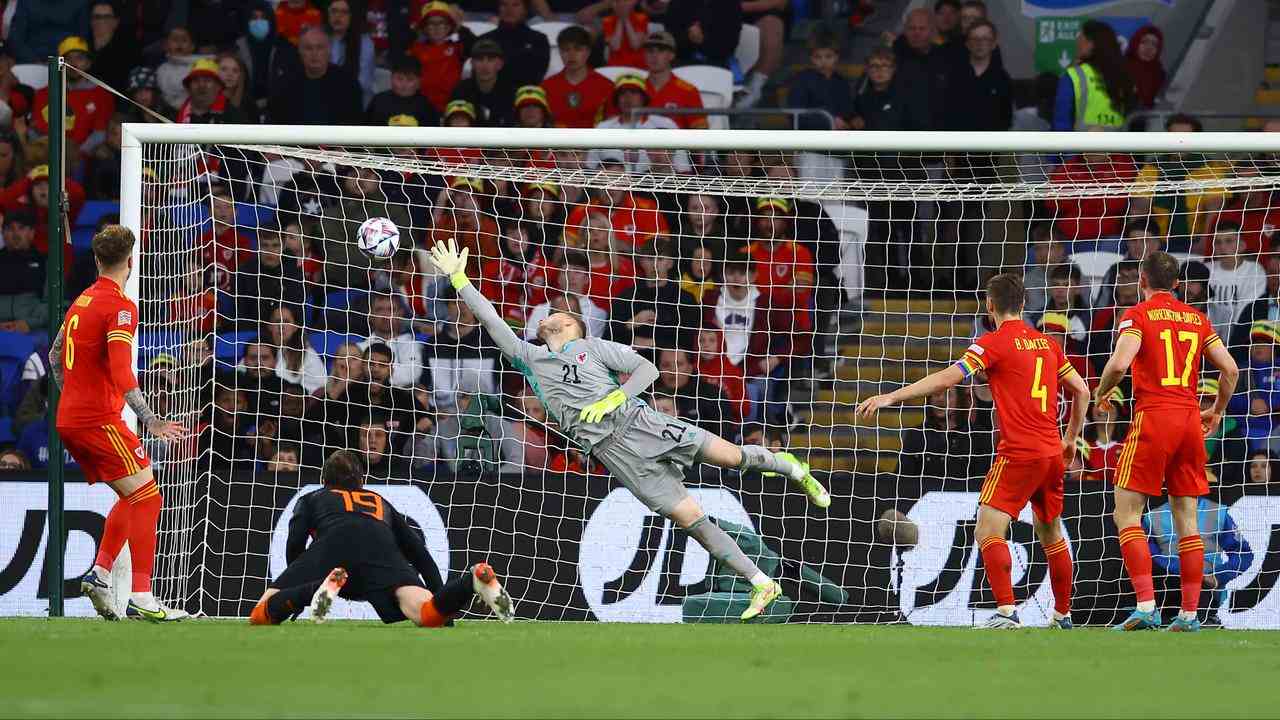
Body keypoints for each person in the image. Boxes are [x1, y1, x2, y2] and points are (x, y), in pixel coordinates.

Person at [428, 238, 830, 622]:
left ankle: (792, 468)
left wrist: (612, 399)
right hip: (616, 454)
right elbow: (492, 320)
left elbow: (648, 369)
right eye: (550, 314)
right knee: (692, 521)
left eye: (563, 315)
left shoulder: (595, 348)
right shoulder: (531, 360)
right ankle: (761, 583)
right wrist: (461, 280)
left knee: (733, 457)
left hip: (642, 423)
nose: (553, 315)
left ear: (574, 327)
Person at [857, 273, 1090, 629]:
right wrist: (1071, 436)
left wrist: (891, 396)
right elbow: (1082, 390)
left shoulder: (992, 342)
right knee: (1051, 534)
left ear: (989, 305)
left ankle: (1007, 612)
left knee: (987, 530)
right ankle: (1062, 614)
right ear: (1025, 304)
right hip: (1051, 453)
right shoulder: (1048, 344)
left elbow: (948, 379)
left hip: (1019, 453)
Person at [1093, 251, 1240, 631]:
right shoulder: (1197, 318)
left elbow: (1119, 364)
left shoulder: (1138, 315)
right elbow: (1231, 369)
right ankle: (1190, 614)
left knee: (1126, 513)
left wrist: (1102, 392)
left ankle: (1146, 606)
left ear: (1142, 281)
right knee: (1187, 520)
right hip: (1191, 420)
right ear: (1176, 283)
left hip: (1154, 418)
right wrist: (1218, 410)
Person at [49, 225, 187, 622]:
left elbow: (56, 356)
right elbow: (124, 371)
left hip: (71, 419)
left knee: (134, 493)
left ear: (96, 260)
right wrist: (151, 420)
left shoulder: (82, 301)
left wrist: (75, 395)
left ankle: (100, 572)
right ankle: (141, 596)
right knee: (150, 497)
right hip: (97, 419)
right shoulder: (121, 307)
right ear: (131, 260)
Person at [249, 449, 514, 626]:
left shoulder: (313, 498)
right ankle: (473, 581)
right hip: (380, 549)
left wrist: (297, 586)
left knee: (260, 614)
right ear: (361, 481)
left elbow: (295, 541)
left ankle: (315, 589)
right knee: (425, 613)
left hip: (332, 548)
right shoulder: (379, 501)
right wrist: (444, 605)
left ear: (324, 480)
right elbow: (420, 554)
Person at [269, 26, 364, 125]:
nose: (314, 54)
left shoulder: (348, 84)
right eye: (308, 48)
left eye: (320, 47)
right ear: (299, 51)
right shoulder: (283, 84)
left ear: (329, 50)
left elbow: (355, 126)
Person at [1054, 19, 1134, 131]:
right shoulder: (1124, 76)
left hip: (1080, 146)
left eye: (1081, 39)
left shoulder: (1074, 75)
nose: (1077, 44)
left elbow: (1061, 122)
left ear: (1090, 44)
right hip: (1118, 146)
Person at [541, 26, 614, 129]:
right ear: (560, 53)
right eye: (566, 50)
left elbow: (613, 124)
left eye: (578, 49)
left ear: (588, 52)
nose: (571, 55)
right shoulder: (546, 87)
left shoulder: (606, 86)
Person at [409, 2, 475, 113]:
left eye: (441, 22)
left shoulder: (458, 47)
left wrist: (459, 26)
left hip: (451, 107)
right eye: (431, 23)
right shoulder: (415, 49)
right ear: (424, 27)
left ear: (449, 26)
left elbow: (476, 46)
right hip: (422, 106)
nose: (436, 27)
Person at [786, 29, 854, 131]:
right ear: (811, 58)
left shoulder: (842, 82)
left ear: (837, 57)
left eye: (828, 56)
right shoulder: (801, 80)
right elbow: (796, 114)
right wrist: (829, 121)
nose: (823, 61)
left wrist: (852, 120)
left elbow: (847, 112)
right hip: (810, 138)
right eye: (817, 57)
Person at [1205, 222, 1266, 333]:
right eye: (1218, 242)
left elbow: (1246, 311)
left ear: (1242, 246)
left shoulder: (1254, 270)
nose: (1222, 247)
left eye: (1228, 241)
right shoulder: (1205, 270)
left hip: (1240, 335)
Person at [642, 31, 708, 130]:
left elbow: (701, 133)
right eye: (650, 51)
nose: (654, 56)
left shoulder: (688, 91)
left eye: (660, 50)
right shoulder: (635, 89)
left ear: (672, 55)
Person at [481, 0, 551, 89]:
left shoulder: (539, 40)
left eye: (515, 5)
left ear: (525, 9)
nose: (509, 10)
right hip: (490, 95)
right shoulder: (485, 39)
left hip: (524, 95)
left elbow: (536, 76)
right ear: (498, 8)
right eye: (504, 4)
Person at [449, 38, 515, 126]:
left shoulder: (511, 92)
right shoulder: (460, 92)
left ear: (500, 64)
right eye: (479, 59)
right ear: (472, 63)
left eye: (490, 60)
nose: (485, 65)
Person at [662, 0, 742, 69]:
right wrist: (689, 37)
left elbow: (729, 44)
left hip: (716, 63)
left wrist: (703, 41)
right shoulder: (679, 3)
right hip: (682, 59)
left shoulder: (731, 4)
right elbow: (670, 34)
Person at [367, 55, 440, 128]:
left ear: (419, 81)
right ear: (391, 78)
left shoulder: (426, 107)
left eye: (410, 79)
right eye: (399, 79)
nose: (404, 84)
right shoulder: (379, 101)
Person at [325, 0, 375, 103]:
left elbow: (364, 83)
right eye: (334, 11)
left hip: (353, 100)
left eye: (344, 12)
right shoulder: (320, 37)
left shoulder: (365, 43)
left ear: (352, 16)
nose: (338, 16)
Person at [177, 58, 249, 124]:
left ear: (218, 86)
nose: (201, 85)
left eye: (207, 80)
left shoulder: (234, 116)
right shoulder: (176, 115)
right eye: (196, 80)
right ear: (188, 87)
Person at [1125, 24, 1165, 110]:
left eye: (1154, 45)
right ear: (1135, 43)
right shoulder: (1120, 67)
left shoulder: (1160, 74)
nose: (1149, 48)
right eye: (1144, 42)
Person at [603, 0, 648, 69]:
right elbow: (616, 47)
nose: (622, 5)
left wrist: (626, 20)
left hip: (637, 66)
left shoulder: (641, 18)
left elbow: (635, 45)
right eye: (618, 2)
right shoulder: (608, 21)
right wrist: (620, 20)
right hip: (616, 66)